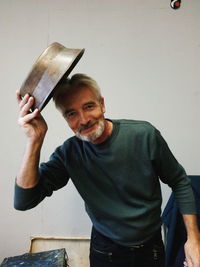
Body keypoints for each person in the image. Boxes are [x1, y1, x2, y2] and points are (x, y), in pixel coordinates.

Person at [15, 74, 200, 267]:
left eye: (89, 107)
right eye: (72, 114)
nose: (84, 120)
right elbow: (24, 201)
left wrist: (193, 239)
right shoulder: (68, 153)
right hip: (105, 252)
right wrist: (34, 140)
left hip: (151, 249)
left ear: (102, 104)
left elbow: (179, 181)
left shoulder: (144, 135)